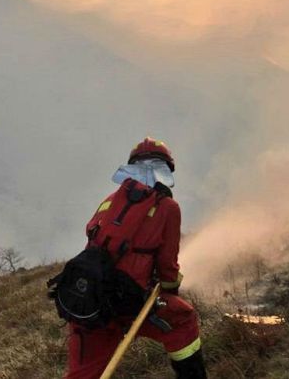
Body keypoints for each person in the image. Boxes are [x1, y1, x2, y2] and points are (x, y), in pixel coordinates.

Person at [62, 137, 207, 379]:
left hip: (88, 301)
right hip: (129, 303)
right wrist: (170, 291)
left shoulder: (109, 201)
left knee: (85, 373)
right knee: (183, 319)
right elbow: (167, 268)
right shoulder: (168, 207)